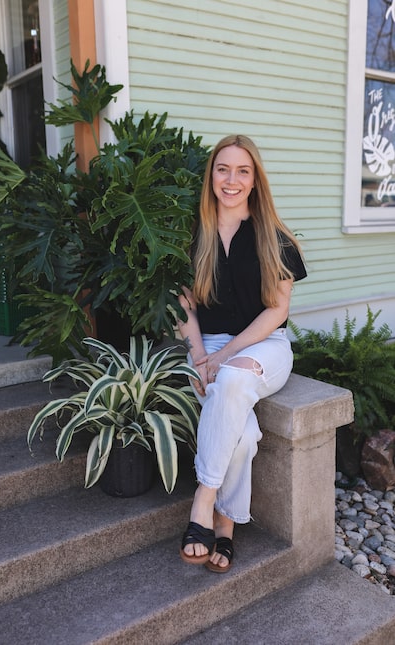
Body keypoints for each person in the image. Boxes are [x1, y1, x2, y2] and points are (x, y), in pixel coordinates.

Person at [177, 134, 307, 573]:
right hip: (206, 345)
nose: (231, 180)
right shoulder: (193, 233)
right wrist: (199, 357)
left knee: (231, 379)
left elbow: (278, 311)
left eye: (242, 171)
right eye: (223, 169)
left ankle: (204, 499)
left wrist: (225, 356)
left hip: (265, 346)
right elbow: (184, 308)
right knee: (245, 435)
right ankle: (227, 527)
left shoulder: (275, 237)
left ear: (255, 180)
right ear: (211, 175)